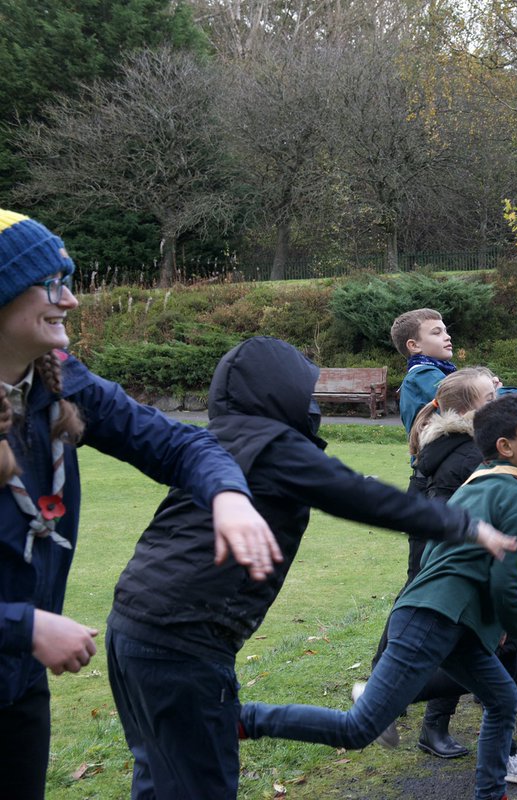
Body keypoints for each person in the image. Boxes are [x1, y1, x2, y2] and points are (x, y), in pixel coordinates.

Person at [104, 337, 516, 799]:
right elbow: (357, 495)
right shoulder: (272, 446)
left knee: (158, 775)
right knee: (200, 785)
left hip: (129, 628)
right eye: (305, 392)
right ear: (278, 394)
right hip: (184, 639)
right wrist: (463, 526)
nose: (312, 402)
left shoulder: (216, 440)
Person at [0, 209, 281, 799]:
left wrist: (227, 495)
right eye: (52, 284)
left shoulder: (56, 381)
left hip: (17, 682)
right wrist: (21, 625)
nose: (71, 300)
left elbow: (178, 442)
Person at [240, 393, 517, 800]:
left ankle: (491, 794)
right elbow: (508, 586)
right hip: (435, 618)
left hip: (443, 618)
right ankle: (242, 719)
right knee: (358, 729)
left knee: (502, 696)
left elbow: (455, 557)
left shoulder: (478, 486)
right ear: (505, 447)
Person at [386, 368, 517, 782]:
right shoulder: (470, 457)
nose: (501, 396)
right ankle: (403, 703)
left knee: (502, 677)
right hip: (459, 593)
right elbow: (456, 531)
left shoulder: (473, 458)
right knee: (498, 660)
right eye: (492, 395)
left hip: (461, 589)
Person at [391, 308, 517, 582]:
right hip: (430, 484)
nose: (447, 336)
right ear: (413, 345)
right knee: (423, 574)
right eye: (436, 332)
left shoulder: (438, 373)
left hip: (436, 481)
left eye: (446, 330)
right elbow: (467, 400)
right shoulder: (422, 375)